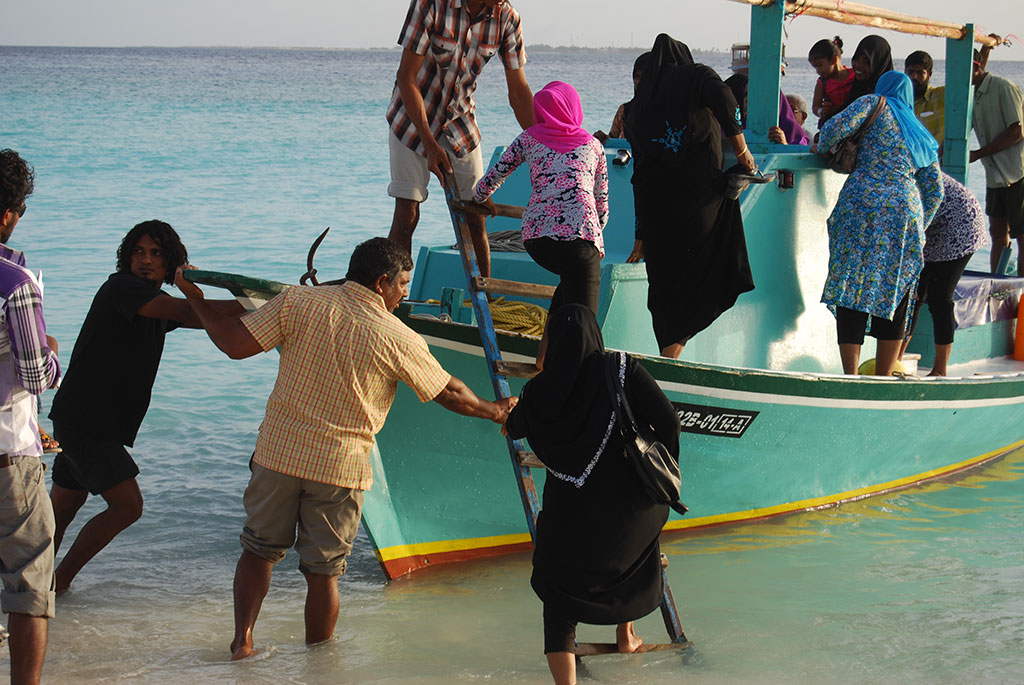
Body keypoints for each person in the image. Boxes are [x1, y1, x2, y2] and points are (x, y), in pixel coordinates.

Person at [172, 237, 518, 660]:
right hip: (340, 468)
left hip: (279, 454)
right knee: (324, 574)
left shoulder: (297, 301)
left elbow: (233, 344)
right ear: (380, 283)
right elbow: (449, 392)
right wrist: (495, 410)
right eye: (403, 285)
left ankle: (242, 642)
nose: (405, 294)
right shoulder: (399, 336)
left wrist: (198, 302)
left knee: (258, 552)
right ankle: (319, 665)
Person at [47, 221, 245, 595]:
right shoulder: (122, 289)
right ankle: (57, 584)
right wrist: (203, 296)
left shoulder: (152, 304)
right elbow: (189, 311)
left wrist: (271, 305)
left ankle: (28, 583)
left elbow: (206, 318)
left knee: (64, 505)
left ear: (170, 261)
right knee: (127, 507)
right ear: (127, 257)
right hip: (87, 423)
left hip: (81, 419)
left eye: (156, 253)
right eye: (139, 251)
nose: (146, 260)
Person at [504, 304, 680, 685]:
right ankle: (626, 635)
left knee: (557, 592)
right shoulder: (620, 368)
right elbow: (669, 420)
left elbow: (513, 427)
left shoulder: (539, 390)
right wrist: (656, 477)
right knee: (643, 532)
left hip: (571, 523)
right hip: (629, 520)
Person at [626, 33, 756, 359]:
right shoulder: (695, 76)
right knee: (705, 272)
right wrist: (742, 150)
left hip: (656, 216)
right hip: (697, 205)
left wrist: (640, 236)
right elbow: (726, 99)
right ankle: (672, 359)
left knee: (666, 288)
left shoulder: (637, 107)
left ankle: (669, 356)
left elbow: (638, 175)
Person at [386, 0, 535, 279]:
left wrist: (546, 144)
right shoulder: (431, 4)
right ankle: (393, 299)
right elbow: (406, 77)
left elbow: (518, 91)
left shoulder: (507, 18)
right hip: (411, 116)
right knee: (407, 213)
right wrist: (430, 144)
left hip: (460, 120)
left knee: (475, 213)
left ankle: (483, 304)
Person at [472, 81, 608, 368]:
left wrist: (480, 198)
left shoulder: (528, 139)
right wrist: (591, 231)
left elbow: (494, 176)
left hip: (536, 241)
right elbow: (602, 207)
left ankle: (542, 361)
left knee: (567, 285)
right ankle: (582, 376)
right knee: (587, 323)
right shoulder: (594, 147)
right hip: (581, 240)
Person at [815, 71, 943, 376]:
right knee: (895, 289)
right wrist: (918, 228)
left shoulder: (874, 102)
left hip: (860, 209)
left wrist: (820, 147)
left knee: (851, 285)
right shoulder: (919, 132)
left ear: (883, 88)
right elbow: (935, 191)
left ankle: (851, 374)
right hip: (904, 215)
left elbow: (834, 130)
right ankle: (883, 376)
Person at [0, 149, 62, 685]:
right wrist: (51, 349)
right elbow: (37, 376)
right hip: (7, 458)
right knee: (29, 583)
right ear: (9, 214)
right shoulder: (14, 284)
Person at [901, 173, 989, 376]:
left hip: (961, 226)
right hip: (932, 228)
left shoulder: (908, 177)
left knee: (939, 298)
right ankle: (896, 360)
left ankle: (940, 369)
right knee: (912, 297)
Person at [969, 47, 1024, 276]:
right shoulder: (971, 95)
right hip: (994, 177)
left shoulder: (1004, 87)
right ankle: (996, 287)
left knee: (1021, 235)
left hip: (1017, 173)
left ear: (977, 65)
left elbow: (1018, 131)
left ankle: (1020, 293)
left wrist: (979, 153)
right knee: (997, 233)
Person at [594, 52, 651, 143]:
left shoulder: (664, 111)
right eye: (636, 76)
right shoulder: (625, 111)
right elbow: (614, 140)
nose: (639, 81)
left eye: (644, 77)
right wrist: (601, 138)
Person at [808, 36, 854, 125]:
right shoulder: (822, 83)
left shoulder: (854, 76)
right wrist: (821, 111)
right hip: (834, 124)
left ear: (834, 59)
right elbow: (815, 107)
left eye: (820, 65)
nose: (818, 70)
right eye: (815, 67)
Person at [842, 35, 894, 111]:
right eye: (856, 58)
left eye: (866, 61)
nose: (858, 65)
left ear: (879, 64)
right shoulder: (852, 90)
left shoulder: (886, 99)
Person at [905, 50, 945, 145]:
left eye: (920, 73)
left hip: (940, 157)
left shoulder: (941, 95)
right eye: (910, 72)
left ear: (929, 75)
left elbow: (968, 83)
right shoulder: (901, 103)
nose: (914, 77)